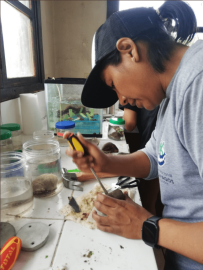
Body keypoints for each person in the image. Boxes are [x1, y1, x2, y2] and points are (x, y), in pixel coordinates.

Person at [64, 1, 203, 269]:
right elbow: (155, 157)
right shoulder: (170, 93)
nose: (121, 99)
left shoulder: (197, 83)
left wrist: (147, 225)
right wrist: (107, 163)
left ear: (129, 50)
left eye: (113, 85)